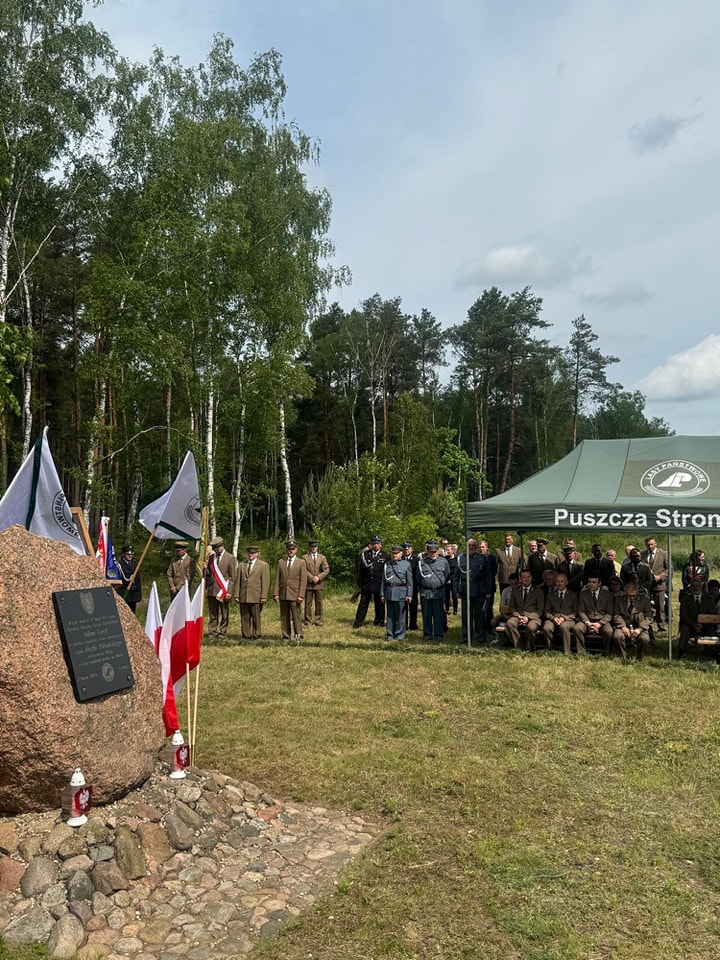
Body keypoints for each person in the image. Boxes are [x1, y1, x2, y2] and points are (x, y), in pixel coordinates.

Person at [455, 538, 492, 645]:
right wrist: (456, 590)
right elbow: (456, 576)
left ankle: (481, 637)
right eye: (469, 545)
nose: (471, 547)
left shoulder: (482, 558)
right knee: (466, 615)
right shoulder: (461, 558)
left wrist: (488, 591)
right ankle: (466, 636)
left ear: (476, 547)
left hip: (479, 589)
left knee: (479, 615)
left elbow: (488, 575)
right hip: (466, 590)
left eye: (473, 546)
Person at [233, 545, 270, 641]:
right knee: (245, 616)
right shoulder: (241, 566)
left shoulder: (263, 565)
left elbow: (265, 582)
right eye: (249, 553)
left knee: (256, 617)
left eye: (253, 553)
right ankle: (246, 635)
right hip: (244, 595)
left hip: (256, 595)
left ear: (257, 554)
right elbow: (238, 582)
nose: (250, 555)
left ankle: (257, 635)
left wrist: (263, 596)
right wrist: (236, 594)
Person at [274, 541, 308, 642]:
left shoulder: (301, 563)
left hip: (295, 594)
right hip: (283, 593)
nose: (291, 551)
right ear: (286, 550)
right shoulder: (281, 562)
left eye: (293, 549)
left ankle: (299, 635)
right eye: (289, 549)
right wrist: (276, 593)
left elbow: (303, 580)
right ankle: (285, 636)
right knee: (284, 616)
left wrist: (301, 595)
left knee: (296, 616)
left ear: (296, 550)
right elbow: (277, 579)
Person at [417, 539, 450, 641]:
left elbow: (447, 575)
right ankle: (427, 633)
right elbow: (418, 578)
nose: (433, 553)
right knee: (426, 614)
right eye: (431, 551)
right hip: (426, 592)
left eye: (435, 551)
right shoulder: (421, 563)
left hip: (438, 592)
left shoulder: (443, 562)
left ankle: (438, 634)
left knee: (438, 614)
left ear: (438, 551)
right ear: (427, 551)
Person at [204, 536, 237, 638]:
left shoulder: (230, 558)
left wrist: (229, 591)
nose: (216, 551)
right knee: (213, 613)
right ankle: (212, 631)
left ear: (222, 546)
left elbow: (232, 577)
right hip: (212, 589)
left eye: (217, 549)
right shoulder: (211, 558)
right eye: (214, 549)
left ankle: (222, 632)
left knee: (224, 612)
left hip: (223, 590)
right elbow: (209, 574)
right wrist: (205, 568)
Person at [353, 536, 389, 628]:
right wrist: (360, 584)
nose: (376, 545)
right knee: (363, 603)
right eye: (374, 544)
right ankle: (358, 623)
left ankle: (379, 622)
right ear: (371, 544)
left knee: (379, 604)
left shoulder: (385, 556)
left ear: (380, 545)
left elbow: (387, 572)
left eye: (377, 544)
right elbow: (361, 570)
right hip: (367, 583)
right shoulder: (365, 554)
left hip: (379, 583)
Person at [611, 580, 652, 660]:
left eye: (634, 595)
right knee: (617, 636)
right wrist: (622, 627)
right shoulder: (619, 601)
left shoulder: (644, 601)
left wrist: (640, 629)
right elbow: (616, 615)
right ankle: (623, 656)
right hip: (624, 625)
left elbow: (649, 618)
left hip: (639, 626)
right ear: (625, 592)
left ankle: (639, 658)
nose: (632, 598)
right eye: (630, 596)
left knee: (644, 639)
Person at [574, 575, 613, 656]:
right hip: (587, 619)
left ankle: (607, 652)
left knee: (609, 631)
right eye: (589, 582)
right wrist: (588, 623)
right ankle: (581, 653)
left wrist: (599, 624)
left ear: (599, 583)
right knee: (577, 628)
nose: (591, 584)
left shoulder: (608, 595)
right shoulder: (583, 594)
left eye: (594, 582)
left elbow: (609, 614)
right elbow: (581, 611)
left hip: (602, 621)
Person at [505, 569, 544, 651]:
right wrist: (518, 616)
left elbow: (540, 610)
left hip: (533, 617)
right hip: (518, 616)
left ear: (531, 577)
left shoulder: (538, 591)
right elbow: (511, 607)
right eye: (524, 577)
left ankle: (528, 647)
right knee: (510, 623)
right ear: (520, 579)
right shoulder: (515, 591)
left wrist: (528, 618)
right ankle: (518, 647)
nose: (527, 579)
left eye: (528, 577)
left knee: (531, 627)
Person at [381, 545, 413, 641]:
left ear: (401, 554)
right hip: (390, 592)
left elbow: (410, 582)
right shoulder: (387, 565)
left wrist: (409, 594)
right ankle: (390, 635)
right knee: (390, 615)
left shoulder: (406, 565)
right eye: (393, 553)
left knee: (401, 616)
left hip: (401, 592)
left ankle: (400, 635)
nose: (394, 555)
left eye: (396, 553)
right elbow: (383, 581)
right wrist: (382, 594)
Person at [541, 571, 578, 654]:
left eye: (562, 581)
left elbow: (575, 612)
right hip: (553, 619)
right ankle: (551, 649)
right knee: (546, 628)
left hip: (568, 619)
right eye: (558, 581)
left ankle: (566, 651)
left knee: (564, 627)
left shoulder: (573, 595)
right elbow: (547, 612)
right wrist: (554, 618)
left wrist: (564, 618)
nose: (559, 583)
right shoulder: (550, 595)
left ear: (566, 582)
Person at [641, 537, 668, 630]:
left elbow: (669, 569)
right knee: (646, 605)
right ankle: (646, 625)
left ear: (655, 544)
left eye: (652, 544)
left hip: (659, 584)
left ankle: (661, 625)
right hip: (647, 585)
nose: (650, 546)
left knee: (659, 605)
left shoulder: (663, 554)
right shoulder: (643, 554)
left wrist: (660, 576)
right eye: (648, 544)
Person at [302, 539, 330, 626]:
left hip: (319, 583)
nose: (314, 548)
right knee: (308, 603)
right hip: (309, 584)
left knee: (319, 603)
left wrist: (318, 577)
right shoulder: (304, 557)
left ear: (317, 547)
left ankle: (318, 620)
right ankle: (308, 620)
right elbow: (303, 569)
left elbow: (326, 570)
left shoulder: (322, 557)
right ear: (309, 547)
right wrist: (311, 577)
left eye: (315, 546)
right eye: (312, 546)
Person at [116, 544, 141, 613]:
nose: (130, 556)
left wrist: (138, 594)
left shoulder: (134, 564)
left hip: (133, 595)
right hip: (124, 594)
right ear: (123, 554)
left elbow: (138, 580)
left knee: (132, 613)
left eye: (132, 554)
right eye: (128, 554)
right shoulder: (119, 564)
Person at [403, 542, 420, 630]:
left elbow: (417, 574)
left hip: (413, 586)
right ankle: (404, 624)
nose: (407, 551)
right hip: (402, 586)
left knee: (413, 606)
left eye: (408, 549)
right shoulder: (400, 559)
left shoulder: (416, 560)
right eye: (405, 549)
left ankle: (413, 624)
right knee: (403, 606)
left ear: (411, 550)